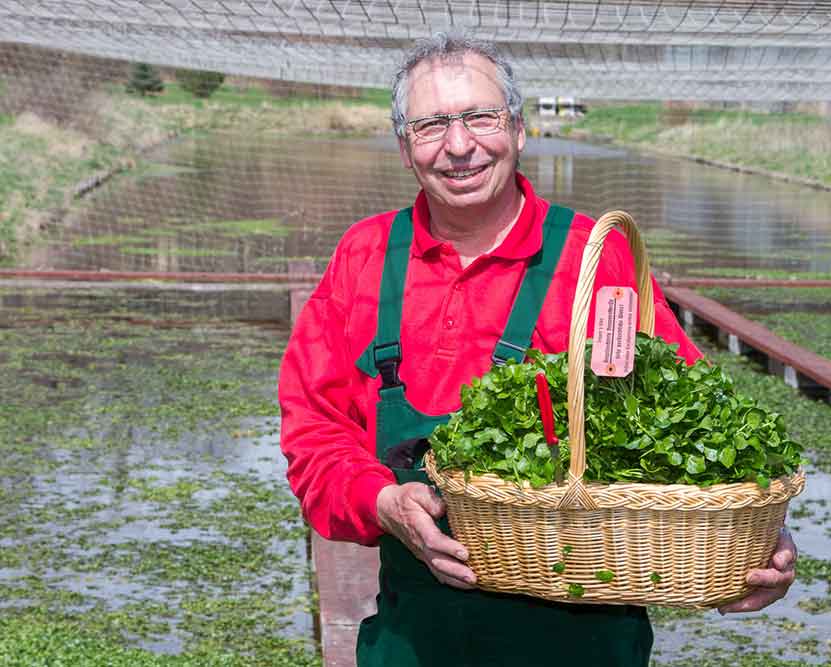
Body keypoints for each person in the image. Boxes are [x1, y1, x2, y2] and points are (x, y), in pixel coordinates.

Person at [278, 32, 797, 666]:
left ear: (519, 130)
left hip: (586, 641)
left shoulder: (592, 258)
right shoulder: (365, 257)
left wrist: (754, 540)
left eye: (480, 116)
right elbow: (314, 432)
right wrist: (381, 501)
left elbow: (689, 414)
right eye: (432, 124)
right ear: (404, 146)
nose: (460, 144)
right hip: (415, 640)